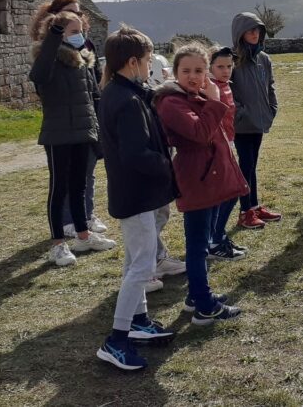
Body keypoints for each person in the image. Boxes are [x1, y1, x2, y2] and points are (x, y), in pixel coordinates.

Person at [95, 26, 178, 371]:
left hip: (134, 193)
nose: (151, 67)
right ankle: (116, 341)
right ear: (132, 62)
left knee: (134, 262)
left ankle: (139, 321)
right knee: (142, 266)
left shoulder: (124, 92)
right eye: (147, 60)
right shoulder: (126, 101)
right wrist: (170, 166)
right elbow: (135, 154)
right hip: (137, 194)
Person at [154, 43, 247, 325]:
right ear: (174, 72)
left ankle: (196, 296)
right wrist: (215, 100)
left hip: (207, 177)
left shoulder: (193, 97)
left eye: (199, 70)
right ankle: (205, 307)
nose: (193, 76)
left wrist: (211, 100)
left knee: (201, 243)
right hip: (197, 179)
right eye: (186, 71)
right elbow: (200, 133)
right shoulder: (172, 102)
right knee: (196, 246)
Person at [29, 8, 116, 266]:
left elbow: (92, 98)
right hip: (58, 134)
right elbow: (38, 76)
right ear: (57, 33)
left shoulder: (83, 60)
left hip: (83, 132)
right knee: (59, 189)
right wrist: (54, 37)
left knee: (78, 187)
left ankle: (83, 235)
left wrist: (98, 131)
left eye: (82, 31)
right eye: (74, 31)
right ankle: (58, 245)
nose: (81, 36)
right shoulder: (48, 60)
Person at [229, 13, 281, 230]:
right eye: (250, 30)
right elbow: (228, 91)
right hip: (242, 125)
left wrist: (271, 109)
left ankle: (255, 206)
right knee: (246, 165)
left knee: (252, 166)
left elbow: (270, 86)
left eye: (258, 30)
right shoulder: (232, 60)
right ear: (240, 32)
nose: (255, 33)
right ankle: (245, 212)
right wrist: (242, 112)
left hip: (259, 122)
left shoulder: (264, 59)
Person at [208, 46, 247, 261]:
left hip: (228, 143)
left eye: (229, 66)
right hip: (217, 147)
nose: (225, 70)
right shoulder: (210, 87)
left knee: (230, 193)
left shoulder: (226, 85)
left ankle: (217, 236)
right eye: (220, 66)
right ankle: (215, 240)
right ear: (210, 67)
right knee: (231, 193)